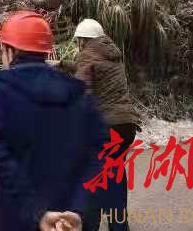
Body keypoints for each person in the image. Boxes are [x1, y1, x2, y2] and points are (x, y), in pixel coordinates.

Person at [0, 11, 108, 231]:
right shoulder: (79, 95)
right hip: (68, 223)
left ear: (11, 51)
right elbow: (102, 155)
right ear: (44, 51)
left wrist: (37, 212)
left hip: (11, 219)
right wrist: (79, 209)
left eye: (2, 50)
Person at [73, 19, 141, 231]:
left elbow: (82, 90)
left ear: (84, 40)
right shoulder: (112, 54)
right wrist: (62, 66)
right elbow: (94, 71)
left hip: (105, 127)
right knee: (115, 175)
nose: (77, 46)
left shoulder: (87, 54)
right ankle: (120, 227)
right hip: (125, 126)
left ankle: (90, 227)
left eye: (78, 41)